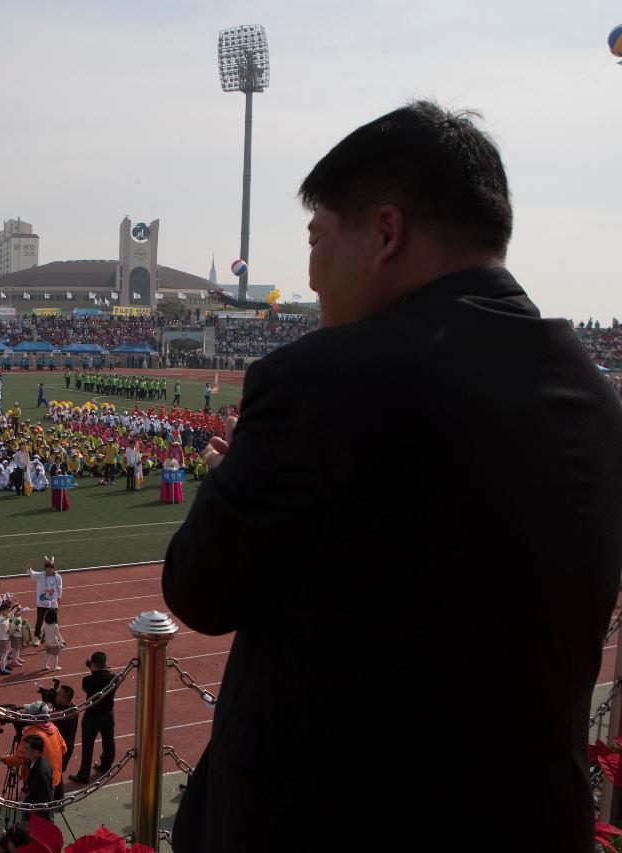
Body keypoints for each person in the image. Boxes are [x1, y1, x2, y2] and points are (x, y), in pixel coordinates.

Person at [163, 101, 622, 853]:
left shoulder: (320, 383)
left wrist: (232, 475)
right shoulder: (592, 394)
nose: (312, 275)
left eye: (317, 237)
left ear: (385, 231)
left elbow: (198, 588)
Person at [69, 651, 115, 784]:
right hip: (107, 715)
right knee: (108, 741)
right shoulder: (113, 678)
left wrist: (93, 669)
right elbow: (107, 673)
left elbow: (92, 680)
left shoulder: (87, 680)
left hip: (92, 717)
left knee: (87, 746)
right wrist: (97, 668)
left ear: (93, 664)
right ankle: (106, 765)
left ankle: (84, 774)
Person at [19, 735, 55, 822]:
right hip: (33, 810)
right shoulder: (36, 763)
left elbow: (44, 799)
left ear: (35, 752)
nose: (24, 751)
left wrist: (24, 803)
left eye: (27, 749)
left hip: (37, 816)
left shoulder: (41, 773)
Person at [27, 557, 62, 638]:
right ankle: (37, 637)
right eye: (47, 568)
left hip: (53, 604)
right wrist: (29, 565)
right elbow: (31, 573)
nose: (49, 570)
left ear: (53, 569)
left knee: (55, 621)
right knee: (39, 621)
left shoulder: (58, 577)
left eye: (51, 568)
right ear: (45, 569)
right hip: (41, 603)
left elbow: (59, 589)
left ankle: (57, 638)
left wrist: (58, 602)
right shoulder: (40, 575)